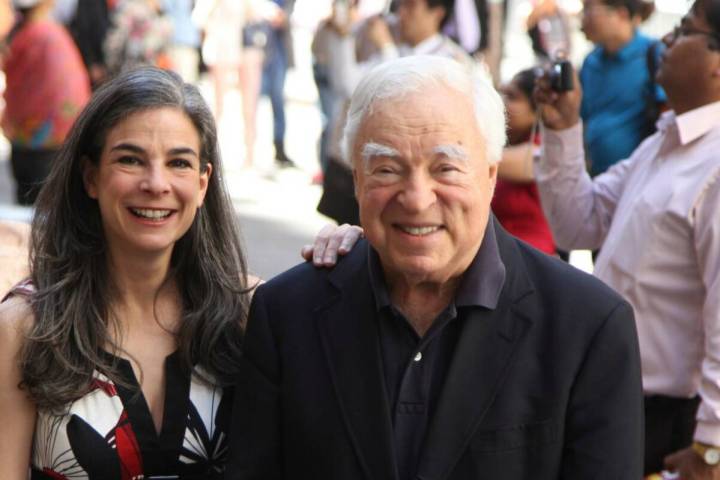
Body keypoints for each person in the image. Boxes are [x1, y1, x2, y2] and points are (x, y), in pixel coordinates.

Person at [226, 55, 644, 479]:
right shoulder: (286, 313)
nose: (417, 198)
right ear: (357, 181)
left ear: (490, 175)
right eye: (387, 169)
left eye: (445, 168)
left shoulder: (587, 326)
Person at [534, 0, 720, 476]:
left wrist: (711, 446)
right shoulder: (665, 142)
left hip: (665, 413)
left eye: (683, 32)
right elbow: (578, 222)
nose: (666, 43)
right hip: (610, 389)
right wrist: (562, 130)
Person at [2, 0, 91, 205]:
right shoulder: (48, 34)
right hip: (55, 138)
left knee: (33, 201)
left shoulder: (28, 36)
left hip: (32, 139)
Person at [580, 0, 666, 176]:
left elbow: (666, 114)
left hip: (637, 176)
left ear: (621, 13)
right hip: (595, 175)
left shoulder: (653, 54)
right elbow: (584, 117)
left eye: (589, 9)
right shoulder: (590, 62)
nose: (583, 18)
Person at [492, 67, 555, 255]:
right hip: (502, 257)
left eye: (512, 97)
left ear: (538, 109)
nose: (503, 103)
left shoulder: (543, 152)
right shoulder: (510, 146)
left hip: (532, 261)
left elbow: (480, 158)